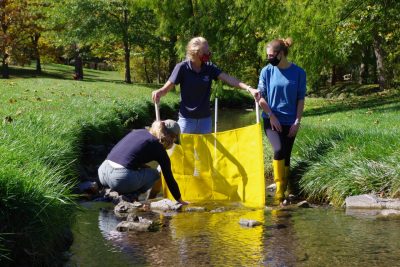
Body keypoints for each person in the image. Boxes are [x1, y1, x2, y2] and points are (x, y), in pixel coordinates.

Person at [152, 36, 260, 134]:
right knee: (184, 152)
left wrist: (249, 88)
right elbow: (166, 89)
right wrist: (159, 92)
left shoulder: (209, 67)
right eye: (205, 52)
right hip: (186, 120)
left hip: (205, 121)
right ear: (196, 52)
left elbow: (229, 79)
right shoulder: (182, 68)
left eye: (208, 51)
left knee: (203, 154)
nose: (209, 54)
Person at [257, 38, 306, 205]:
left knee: (287, 155)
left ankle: (286, 189)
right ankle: (279, 191)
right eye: (268, 56)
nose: (269, 58)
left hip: (290, 121)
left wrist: (297, 121)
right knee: (278, 150)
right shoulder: (266, 71)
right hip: (271, 119)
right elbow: (261, 97)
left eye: (271, 55)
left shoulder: (299, 73)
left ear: (281, 53)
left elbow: (300, 99)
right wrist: (271, 115)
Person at [98, 119, 188, 205]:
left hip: (103, 171)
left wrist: (141, 165)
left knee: (144, 169)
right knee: (155, 174)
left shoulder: (139, 132)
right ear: (170, 138)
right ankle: (132, 195)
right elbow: (169, 178)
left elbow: (128, 154)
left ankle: (113, 191)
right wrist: (179, 200)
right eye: (174, 141)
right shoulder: (158, 147)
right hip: (120, 180)